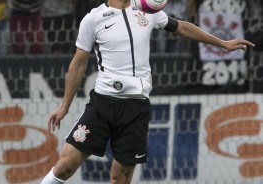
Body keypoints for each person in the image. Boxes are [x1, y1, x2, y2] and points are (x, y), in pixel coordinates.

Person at [40, 0, 255, 183]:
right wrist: (64, 106)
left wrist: (222, 43)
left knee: (120, 179)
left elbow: (181, 27)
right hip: (103, 104)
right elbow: (78, 64)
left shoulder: (147, 10)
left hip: (136, 108)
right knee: (64, 167)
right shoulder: (93, 19)